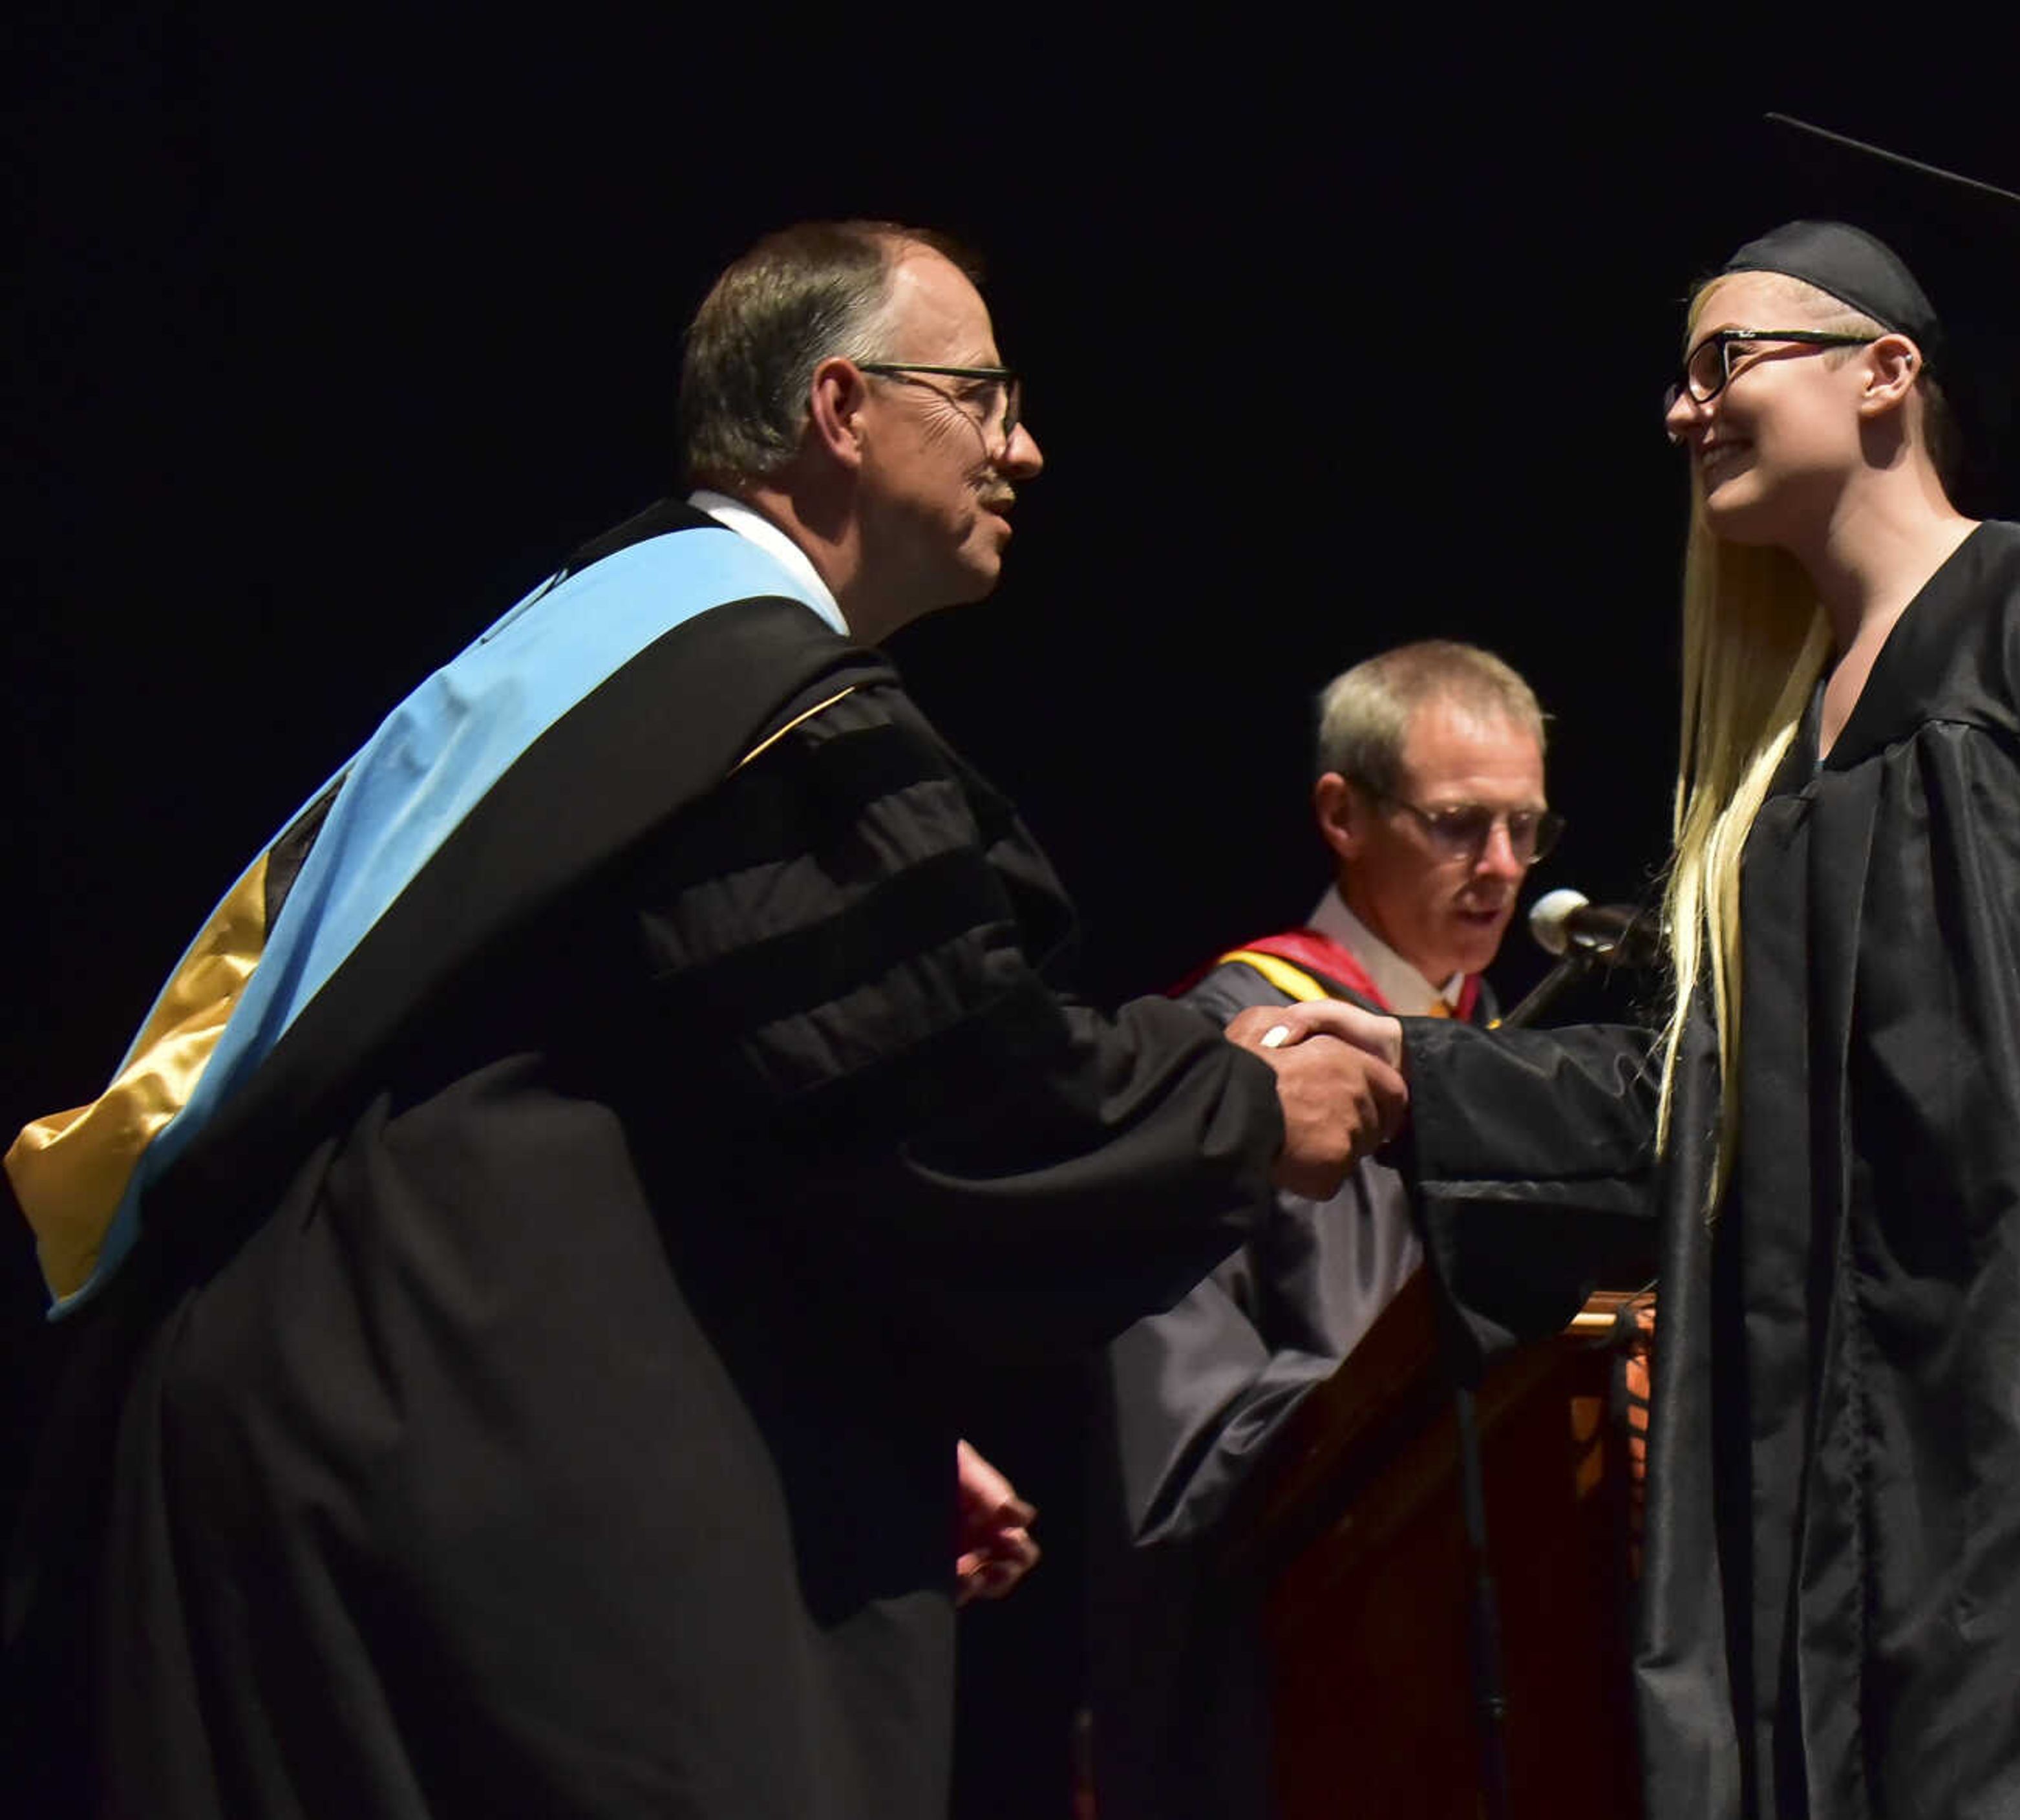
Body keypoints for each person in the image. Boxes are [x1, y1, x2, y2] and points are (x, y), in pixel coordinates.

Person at [0, 220, 1403, 1819]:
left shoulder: (595, 654)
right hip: (436, 1457)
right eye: (984, 395)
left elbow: (679, 1116)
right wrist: (1229, 1109)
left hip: (343, 1421)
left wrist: (823, 1414)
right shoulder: (750, 704)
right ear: (842, 406)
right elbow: (951, 1101)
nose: (1026, 444)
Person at [1248, 123, 2020, 1817]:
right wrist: (1410, 1077)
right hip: (1874, 1477)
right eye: (1677, 380)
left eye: (1723, 361)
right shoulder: (1784, 774)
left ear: (1885, 374)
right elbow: (1708, 1107)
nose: (1682, 411)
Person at [1089, 640, 1557, 1820]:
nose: (1501, 869)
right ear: (1343, 815)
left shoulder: (1510, 1055)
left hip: (1494, 1671)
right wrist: (1426, 1429)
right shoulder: (1234, 1051)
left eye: (1526, 828)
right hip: (1301, 1681)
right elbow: (1176, 1427)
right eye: (1459, 825)